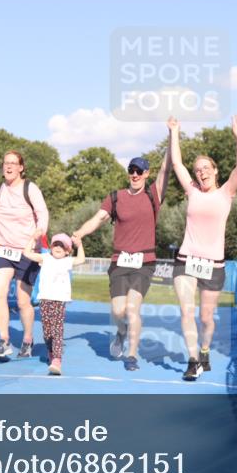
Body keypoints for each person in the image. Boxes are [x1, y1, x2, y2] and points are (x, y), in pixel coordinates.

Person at [72, 143, 171, 372]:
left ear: (147, 174)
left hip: (144, 263)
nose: (134, 175)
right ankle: (121, 332)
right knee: (118, 311)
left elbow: (166, 169)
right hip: (119, 261)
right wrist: (79, 232)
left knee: (132, 308)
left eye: (139, 171)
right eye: (131, 170)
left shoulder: (153, 195)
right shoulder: (115, 197)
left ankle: (132, 355)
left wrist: (172, 135)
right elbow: (98, 219)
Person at [168, 115, 237, 381]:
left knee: (205, 318)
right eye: (198, 169)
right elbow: (177, 163)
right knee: (186, 311)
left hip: (213, 265)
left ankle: (204, 351)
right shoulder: (192, 191)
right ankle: (192, 361)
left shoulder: (226, 193)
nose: (201, 172)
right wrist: (174, 132)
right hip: (185, 260)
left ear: (215, 171)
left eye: (205, 168)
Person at [0, 150, 49, 360]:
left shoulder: (30, 189)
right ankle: (4, 340)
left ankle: (28, 339)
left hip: (27, 251)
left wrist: (40, 231)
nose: (9, 167)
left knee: (22, 302)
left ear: (21, 167)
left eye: (13, 163)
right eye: (5, 163)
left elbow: (43, 213)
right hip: (2, 248)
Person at [22, 233, 86, 375]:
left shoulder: (67, 261)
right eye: (56, 244)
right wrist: (33, 239)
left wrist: (79, 244)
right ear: (51, 247)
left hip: (59, 300)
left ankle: (57, 359)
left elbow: (81, 259)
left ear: (67, 250)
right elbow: (26, 253)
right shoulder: (45, 258)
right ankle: (51, 351)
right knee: (47, 331)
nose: (58, 247)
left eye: (62, 246)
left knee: (57, 329)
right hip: (45, 299)